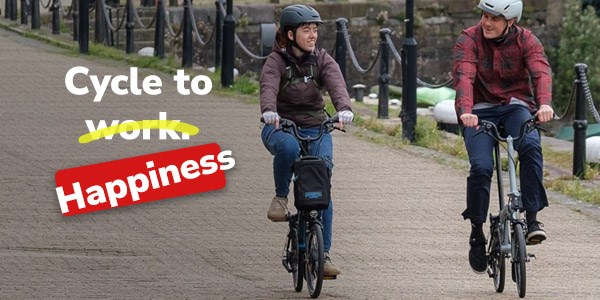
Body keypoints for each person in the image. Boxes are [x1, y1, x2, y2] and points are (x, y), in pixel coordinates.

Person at [452, 0, 554, 274]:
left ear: (511, 21)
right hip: (479, 111)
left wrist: (544, 104)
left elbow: (541, 71)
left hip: (515, 107)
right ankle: (476, 231)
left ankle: (532, 220)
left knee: (531, 146)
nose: (487, 22)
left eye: (494, 18)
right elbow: (464, 76)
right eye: (485, 16)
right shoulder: (469, 39)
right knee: (482, 167)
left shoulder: (527, 40)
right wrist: (465, 111)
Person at [259, 4, 353, 277]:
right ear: (290, 34)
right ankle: (280, 197)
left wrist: (344, 109)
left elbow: (336, 83)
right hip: (281, 124)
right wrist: (269, 112)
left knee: (321, 177)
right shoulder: (276, 61)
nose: (313, 35)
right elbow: (268, 87)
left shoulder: (322, 59)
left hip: (316, 125)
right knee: (287, 148)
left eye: (315, 30)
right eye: (306, 30)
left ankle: (322, 255)